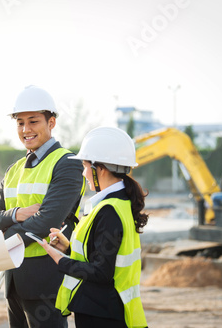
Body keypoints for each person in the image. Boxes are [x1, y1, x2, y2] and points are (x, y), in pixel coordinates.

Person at [0, 85, 84, 328]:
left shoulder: (67, 163)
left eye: (33, 121)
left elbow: (47, 221)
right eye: (20, 123)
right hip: (14, 280)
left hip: (47, 280)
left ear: (52, 122)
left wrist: (2, 241)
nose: (26, 129)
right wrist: (16, 213)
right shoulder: (13, 169)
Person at [37, 126, 149, 328]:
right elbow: (104, 256)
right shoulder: (118, 203)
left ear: (101, 169)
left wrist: (61, 261)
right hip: (106, 309)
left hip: (102, 313)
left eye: (85, 166)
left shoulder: (109, 211)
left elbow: (101, 272)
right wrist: (69, 248)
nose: (83, 172)